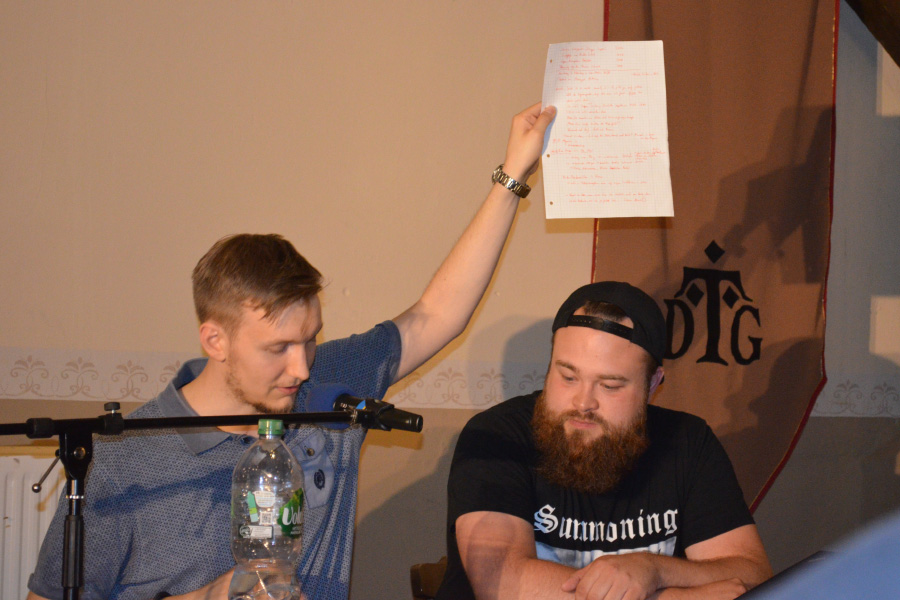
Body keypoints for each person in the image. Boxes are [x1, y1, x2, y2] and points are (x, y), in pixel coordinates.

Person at [26, 102, 557, 600]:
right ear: (215, 340)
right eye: (278, 348)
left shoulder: (329, 386)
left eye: (310, 338)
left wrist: (512, 174)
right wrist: (207, 595)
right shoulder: (127, 459)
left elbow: (438, 314)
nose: (301, 367)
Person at [436, 281, 773, 600]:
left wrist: (655, 570)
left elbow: (752, 576)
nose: (583, 402)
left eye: (610, 386)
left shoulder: (688, 442)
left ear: (652, 384)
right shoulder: (496, 436)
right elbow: (504, 585)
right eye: (568, 376)